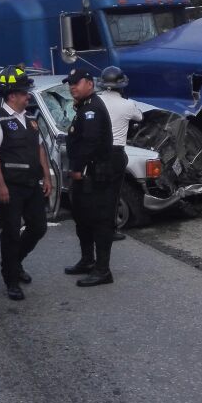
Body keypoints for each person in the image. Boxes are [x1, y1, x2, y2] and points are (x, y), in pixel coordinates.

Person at [0, 65, 53, 301]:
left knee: (38, 228)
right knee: (11, 233)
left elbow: (39, 148)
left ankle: (14, 262)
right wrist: (0, 186)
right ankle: (11, 278)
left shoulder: (31, 119)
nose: (28, 96)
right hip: (10, 187)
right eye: (24, 93)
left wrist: (46, 175)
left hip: (32, 185)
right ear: (12, 95)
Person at [62, 68, 118, 287]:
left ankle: (103, 270)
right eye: (70, 84)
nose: (72, 87)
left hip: (94, 174)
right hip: (85, 175)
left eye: (76, 83)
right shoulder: (84, 107)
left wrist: (77, 167)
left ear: (89, 84)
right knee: (82, 219)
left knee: (99, 221)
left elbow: (90, 142)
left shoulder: (92, 109)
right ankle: (87, 260)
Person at [98, 66, 143, 241]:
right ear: (122, 85)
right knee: (113, 193)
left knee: (98, 191)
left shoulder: (95, 101)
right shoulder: (128, 104)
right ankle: (110, 229)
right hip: (116, 152)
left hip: (98, 152)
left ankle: (97, 226)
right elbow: (139, 118)